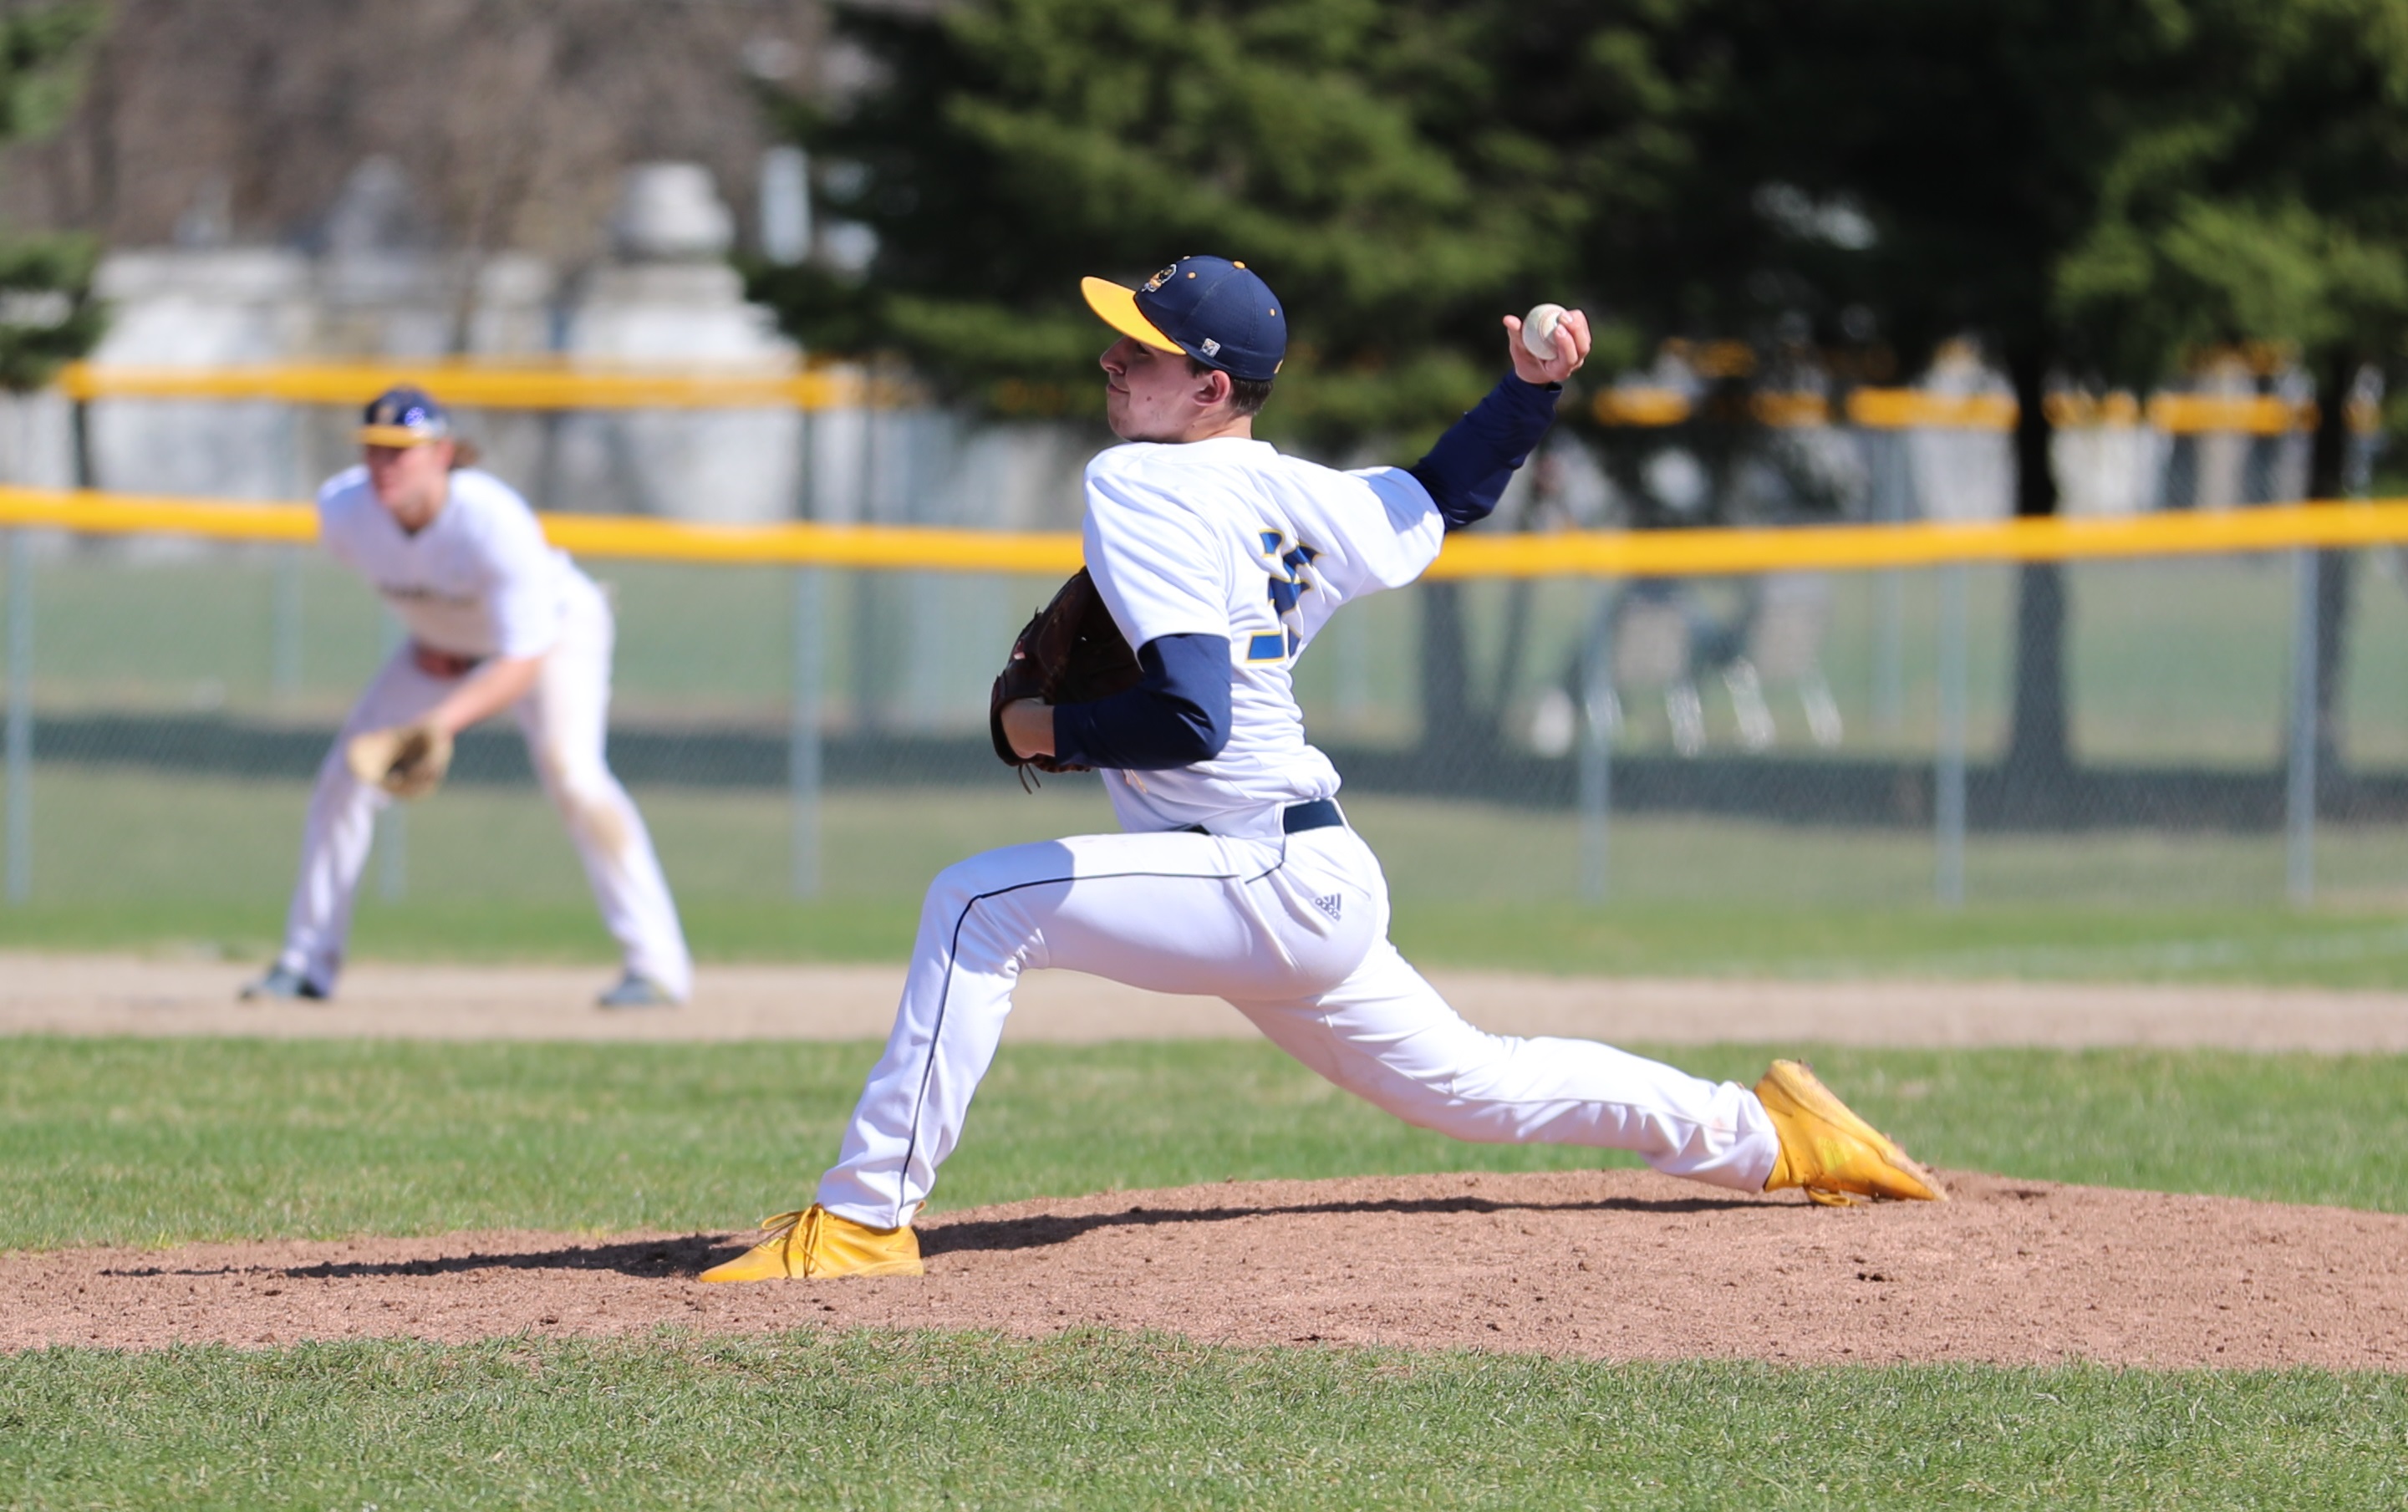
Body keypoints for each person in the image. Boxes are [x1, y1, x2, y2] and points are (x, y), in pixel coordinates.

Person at [702, 257, 1940, 1282]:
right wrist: (1526, 389)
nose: (1110, 363)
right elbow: (1447, 493)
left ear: (1208, 386)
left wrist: (1044, 732)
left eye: (1137, 352)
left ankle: (864, 1220)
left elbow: (1188, 717)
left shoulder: (1134, 480)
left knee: (973, 905)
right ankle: (1769, 1136)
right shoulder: (1298, 492)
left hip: (1252, 872)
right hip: (1299, 874)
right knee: (1480, 1084)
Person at [241, 385, 693, 1009]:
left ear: (443, 454)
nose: (385, 464)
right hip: (441, 648)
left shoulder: (492, 521)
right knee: (345, 777)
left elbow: (522, 656)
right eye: (375, 450)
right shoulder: (344, 513)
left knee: (575, 775)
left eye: (402, 451)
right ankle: (306, 964)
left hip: (555, 634)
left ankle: (658, 967)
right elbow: (418, 585)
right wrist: (435, 645)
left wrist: (436, 723)